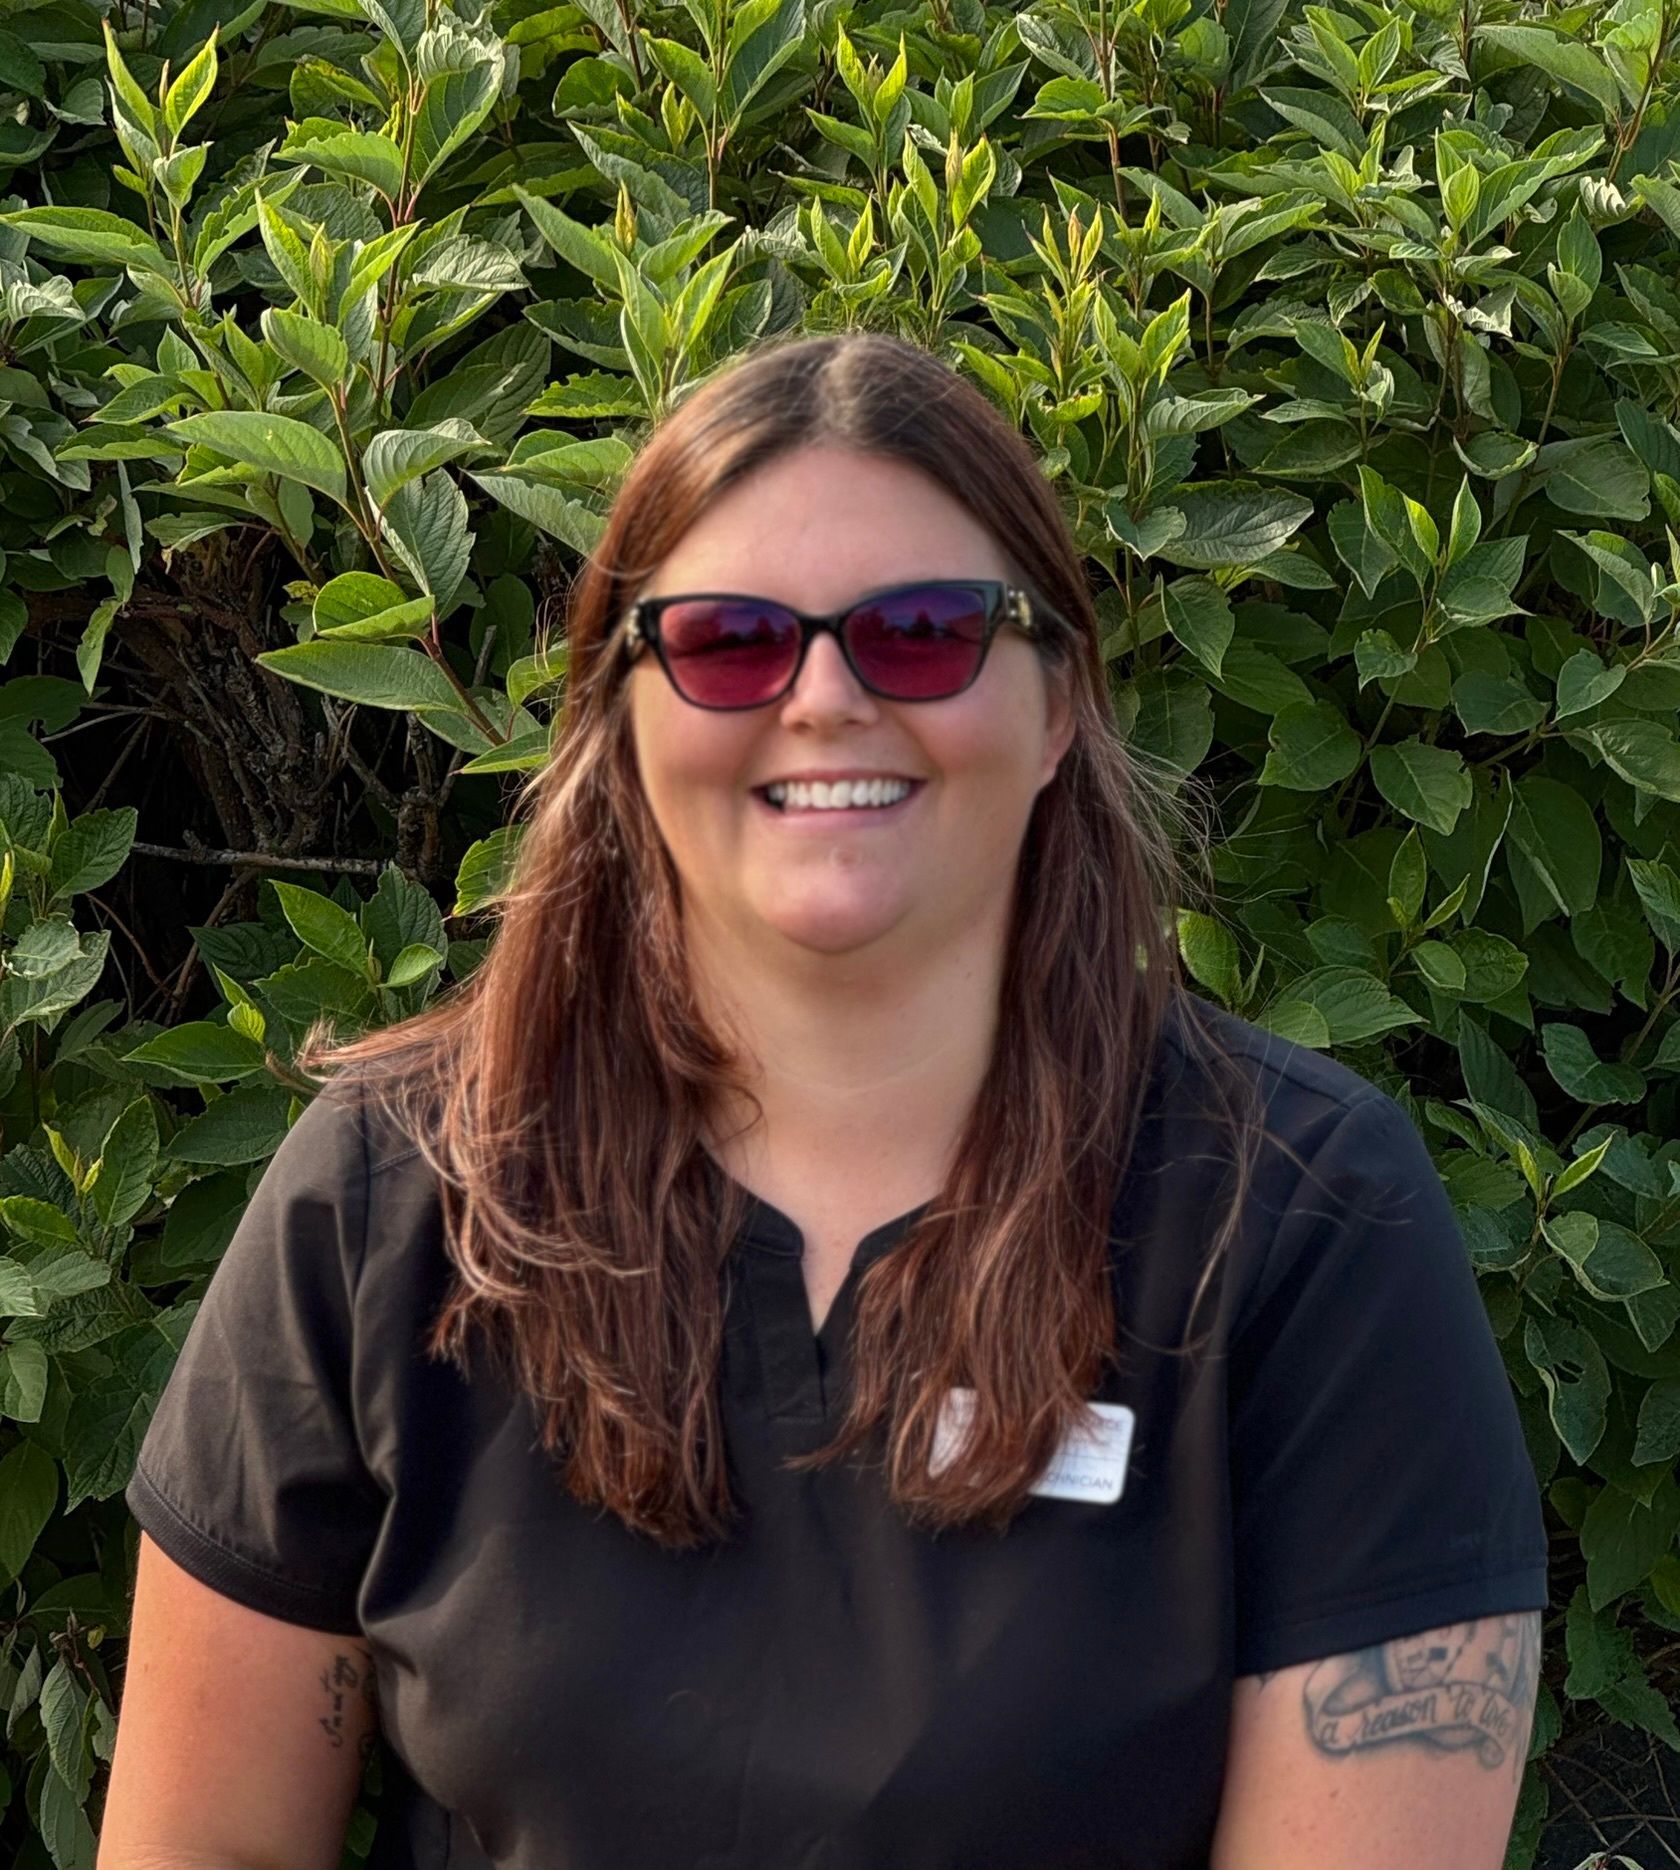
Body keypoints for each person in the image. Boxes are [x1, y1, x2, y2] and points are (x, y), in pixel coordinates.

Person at [100, 330, 1548, 1870]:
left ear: (1058, 703)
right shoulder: (390, 1201)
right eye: (729, 641)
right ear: (623, 710)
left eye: (920, 632)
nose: (825, 698)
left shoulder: (1305, 1225)